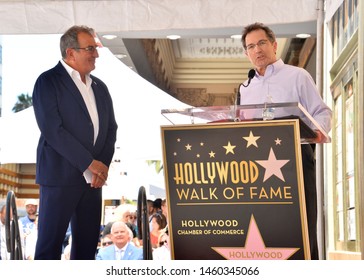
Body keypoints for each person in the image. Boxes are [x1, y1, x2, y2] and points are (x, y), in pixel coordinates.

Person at [239, 22, 332, 260]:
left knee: (301, 227)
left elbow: (322, 113)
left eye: (261, 43)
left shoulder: (298, 76)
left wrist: (314, 131)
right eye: (251, 46)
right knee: (267, 231)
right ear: (246, 53)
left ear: (274, 45)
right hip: (258, 169)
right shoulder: (245, 88)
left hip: (296, 162)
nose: (257, 50)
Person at [32, 25, 118, 260]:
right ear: (71, 53)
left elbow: (111, 128)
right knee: (49, 247)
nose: (96, 54)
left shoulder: (100, 87)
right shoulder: (48, 82)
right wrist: (89, 163)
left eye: (95, 48)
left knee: (88, 247)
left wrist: (102, 166)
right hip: (59, 178)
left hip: (93, 181)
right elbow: (52, 130)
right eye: (90, 48)